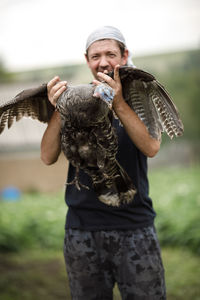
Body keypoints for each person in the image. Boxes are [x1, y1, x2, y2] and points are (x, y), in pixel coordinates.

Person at [41, 26, 166, 300]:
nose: (103, 61)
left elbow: (151, 148)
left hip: (135, 227)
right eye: (96, 55)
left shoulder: (138, 94)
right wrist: (62, 107)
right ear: (87, 59)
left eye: (111, 53)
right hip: (82, 229)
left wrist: (119, 102)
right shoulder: (74, 97)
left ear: (124, 55)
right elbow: (47, 156)